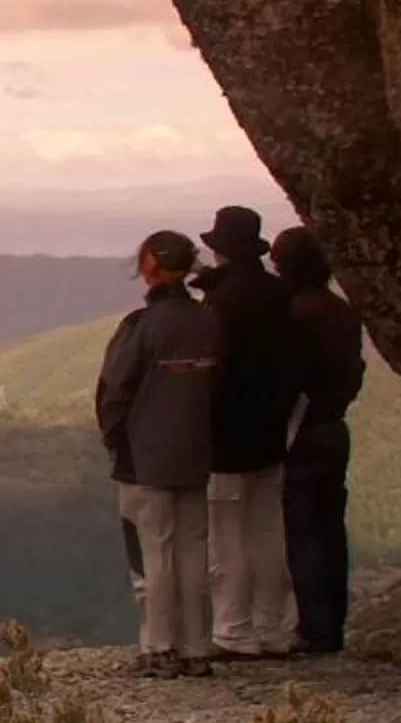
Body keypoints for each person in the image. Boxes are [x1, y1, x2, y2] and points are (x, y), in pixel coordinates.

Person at [97, 229, 220, 676]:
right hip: (196, 450)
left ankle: (160, 646)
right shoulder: (209, 321)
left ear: (148, 264)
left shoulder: (141, 327)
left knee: (153, 552)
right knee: (192, 549)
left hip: (144, 456)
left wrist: (115, 440)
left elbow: (114, 392)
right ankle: (196, 647)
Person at [194, 205, 305, 659]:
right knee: (266, 532)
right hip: (270, 429)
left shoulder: (222, 303)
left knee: (227, 535)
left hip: (227, 436)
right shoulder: (278, 293)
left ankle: (234, 630)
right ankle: (273, 627)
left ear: (220, 251)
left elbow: (215, 369)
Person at [274, 225, 366, 654]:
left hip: (300, 431)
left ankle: (313, 628)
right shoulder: (342, 311)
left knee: (302, 530)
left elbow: (286, 379)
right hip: (334, 425)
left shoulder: (293, 314)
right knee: (330, 528)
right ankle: (333, 626)